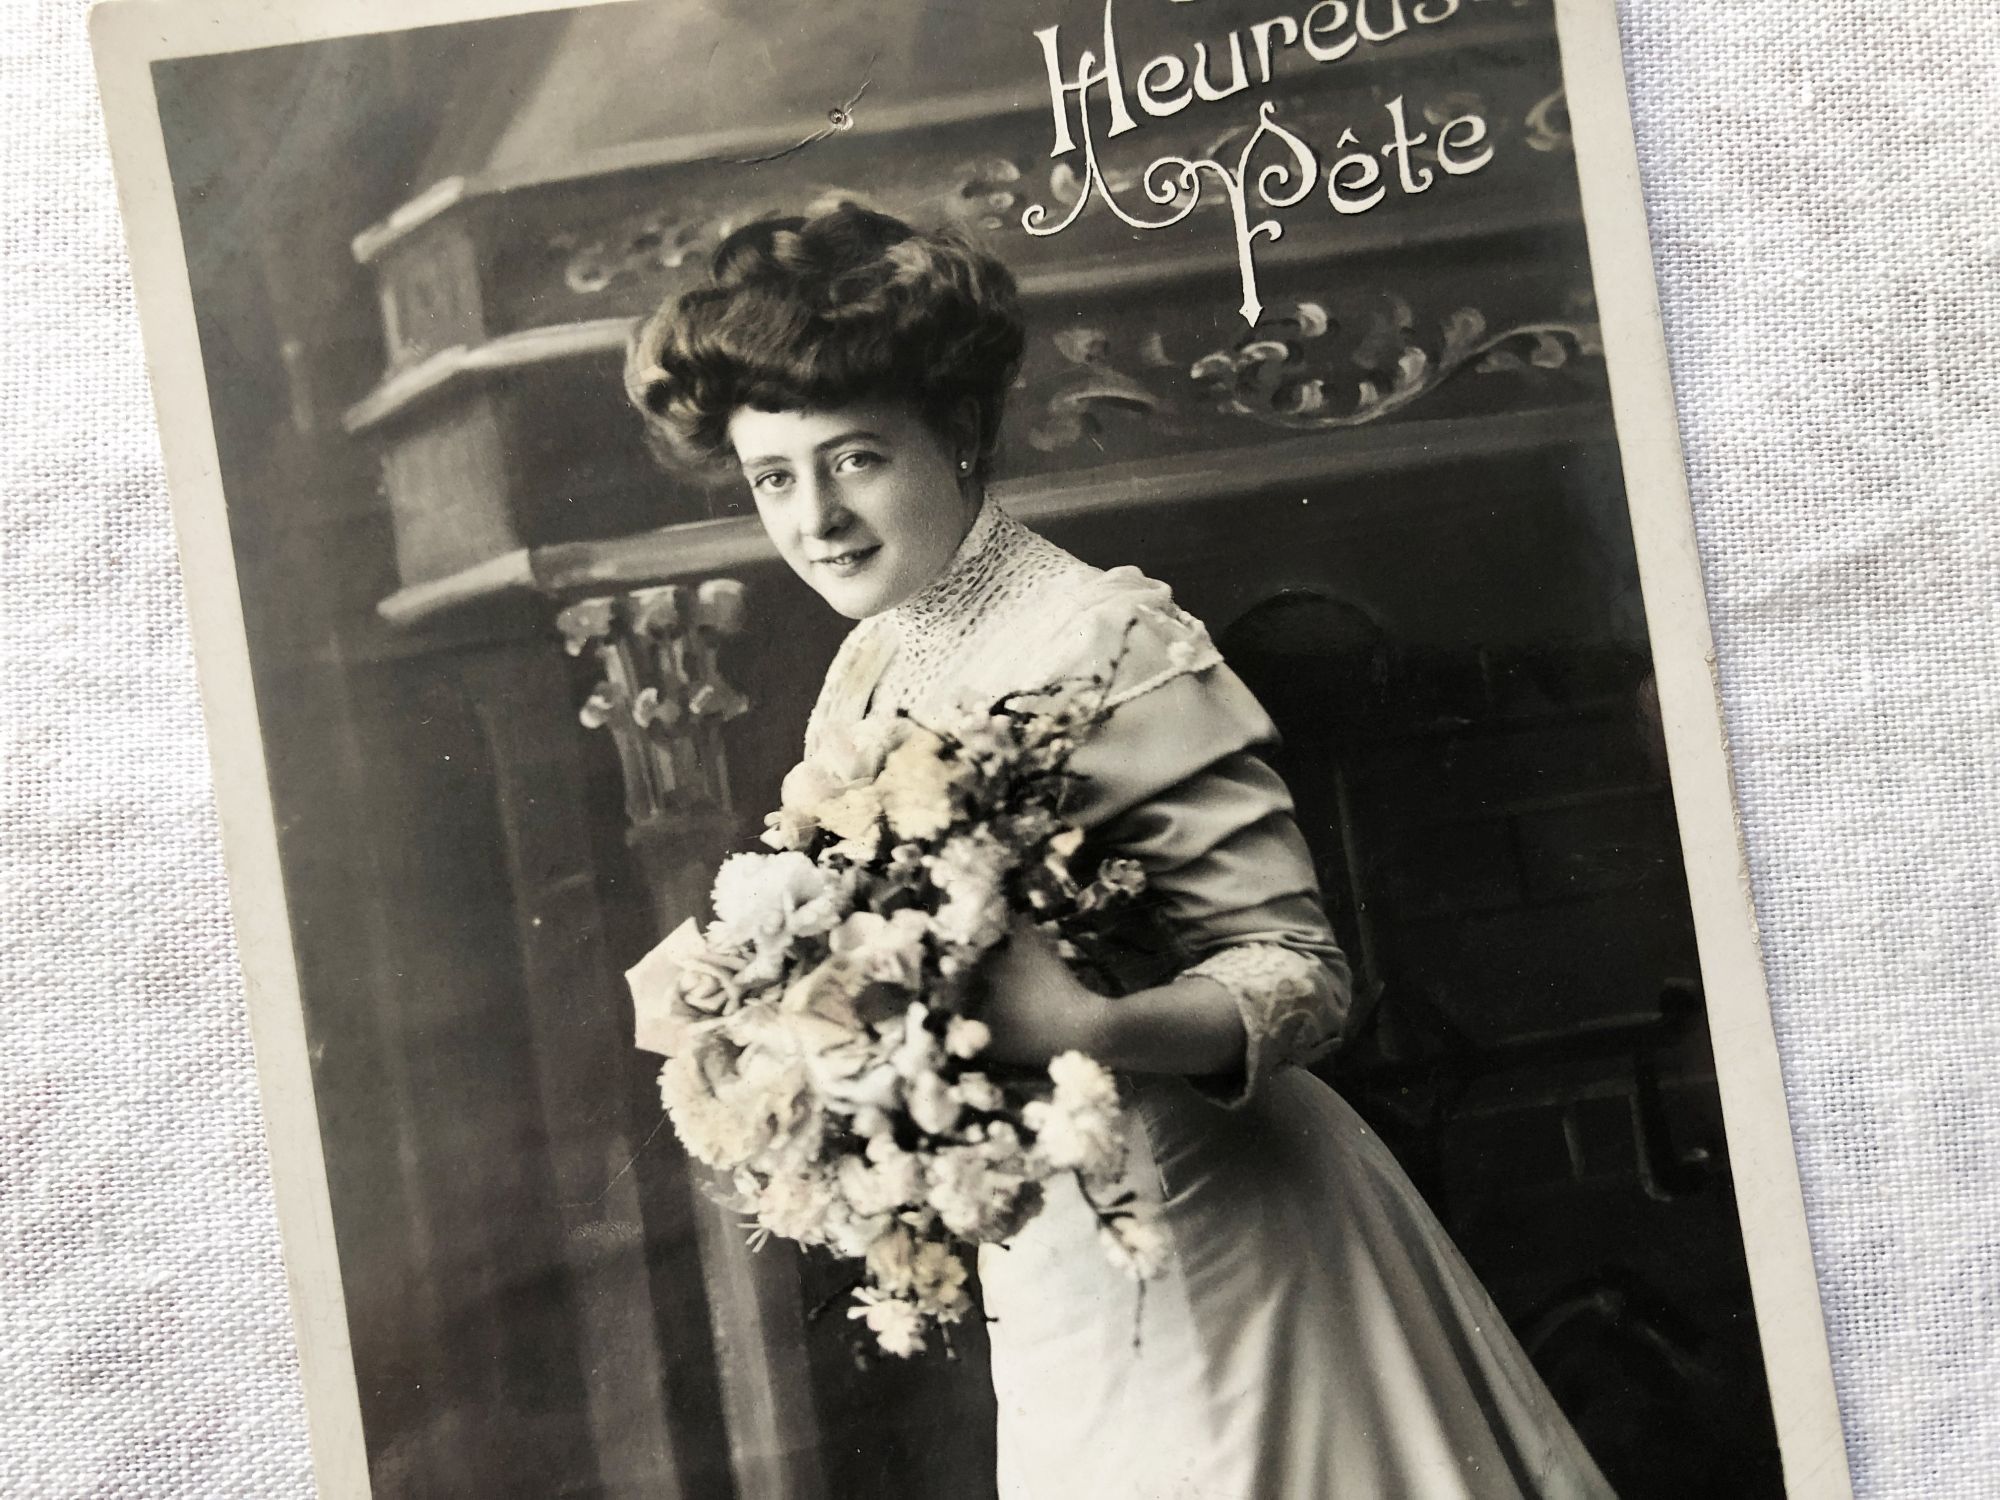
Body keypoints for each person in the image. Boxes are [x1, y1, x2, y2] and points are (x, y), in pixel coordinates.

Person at [624, 202, 1618, 1500]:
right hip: (1058, 1262)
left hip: (1223, 1238)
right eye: (775, 477)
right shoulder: (864, 668)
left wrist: (1084, 1025)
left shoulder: (1111, 639)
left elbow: (1299, 975)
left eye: (855, 458)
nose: (816, 517)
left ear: (962, 434)